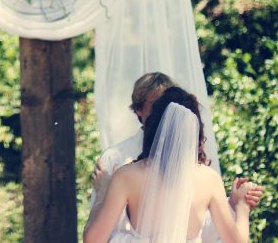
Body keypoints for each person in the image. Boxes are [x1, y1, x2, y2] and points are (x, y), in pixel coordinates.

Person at [86, 73, 263, 242]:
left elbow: (93, 240)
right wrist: (241, 206)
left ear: (154, 124)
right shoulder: (209, 179)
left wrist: (102, 193)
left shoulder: (126, 176)